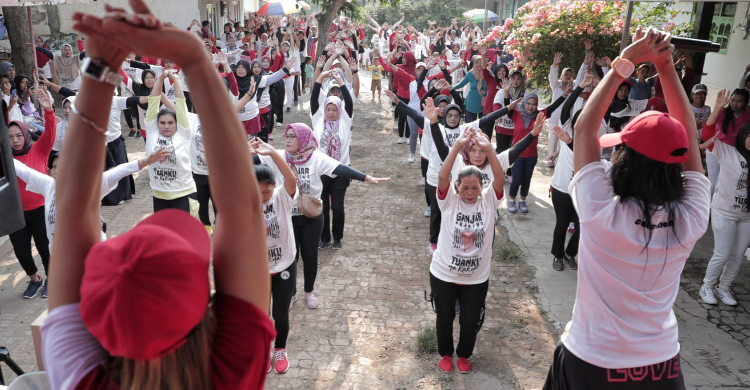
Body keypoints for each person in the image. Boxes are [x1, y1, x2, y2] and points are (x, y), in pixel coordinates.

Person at [44, 2, 277, 389]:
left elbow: (71, 209)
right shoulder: (231, 364)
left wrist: (99, 69)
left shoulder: (80, 380)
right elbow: (242, 207)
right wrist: (193, 57)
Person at [543, 27, 709, 390]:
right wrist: (665, 67)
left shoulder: (602, 209)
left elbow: (585, 126)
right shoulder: (691, 217)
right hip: (661, 367)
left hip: (590, 361)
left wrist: (632, 59)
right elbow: (689, 137)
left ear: (624, 158)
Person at [276, 123, 388, 309]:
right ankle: (291, 293)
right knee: (290, 258)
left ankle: (309, 292)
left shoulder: (315, 158)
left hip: (312, 217)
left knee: (310, 256)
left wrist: (366, 177)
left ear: (302, 138)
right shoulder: (279, 157)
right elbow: (254, 158)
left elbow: (340, 169)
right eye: (286, 136)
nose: (287, 140)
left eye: (292, 136)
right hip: (288, 218)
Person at [429, 124, 506, 374]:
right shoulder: (448, 202)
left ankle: (464, 354)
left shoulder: (489, 202)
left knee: (470, 320)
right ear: (456, 188)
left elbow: (499, 177)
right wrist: (457, 146)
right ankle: (445, 354)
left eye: (475, 188)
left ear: (481, 188)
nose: (470, 193)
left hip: (476, 278)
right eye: (465, 188)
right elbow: (443, 176)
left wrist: (489, 149)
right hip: (444, 275)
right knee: (444, 317)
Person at [13, 148, 171, 255]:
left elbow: (120, 170)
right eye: (54, 167)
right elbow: (23, 170)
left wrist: (147, 161)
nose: (57, 170)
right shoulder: (49, 186)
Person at [249, 138, 298, 374]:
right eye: (257, 193)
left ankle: (280, 349)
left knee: (280, 313)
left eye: (266, 191)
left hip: (285, 265)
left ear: (273, 186)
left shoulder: (281, 198)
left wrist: (271, 152)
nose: (263, 197)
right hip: (258, 270)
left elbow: (291, 179)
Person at [697, 94, 750, 307]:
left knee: (737, 255)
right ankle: (707, 286)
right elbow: (707, 135)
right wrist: (718, 108)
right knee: (722, 253)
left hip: (746, 215)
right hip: (724, 211)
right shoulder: (727, 152)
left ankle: (723, 287)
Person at [9, 89, 56, 299]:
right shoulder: (5, 158)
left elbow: (50, 132)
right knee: (21, 251)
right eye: (10, 137)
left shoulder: (39, 149)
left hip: (40, 210)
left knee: (45, 249)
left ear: (26, 134)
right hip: (15, 213)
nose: (15, 140)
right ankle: (35, 279)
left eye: (18, 135)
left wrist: (48, 110)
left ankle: (52, 279)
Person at [501, 83, 567, 214]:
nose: (531, 106)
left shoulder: (540, 115)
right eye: (528, 103)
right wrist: (506, 93)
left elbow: (553, 107)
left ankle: (523, 200)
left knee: (527, 179)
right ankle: (512, 199)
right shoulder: (517, 114)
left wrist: (565, 95)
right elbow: (508, 107)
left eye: (534, 104)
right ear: (524, 103)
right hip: (517, 154)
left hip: (531, 155)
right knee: (517, 179)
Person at [310, 70, 354, 249]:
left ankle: (337, 238)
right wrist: (320, 78)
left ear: (340, 110)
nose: (330, 112)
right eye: (328, 109)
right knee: (322, 206)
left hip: (341, 170)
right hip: (321, 170)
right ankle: (324, 237)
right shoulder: (317, 119)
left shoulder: (346, 120)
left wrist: (339, 81)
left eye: (334, 109)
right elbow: (314, 99)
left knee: (337, 207)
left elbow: (349, 101)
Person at [145, 70, 197, 214]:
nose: (166, 126)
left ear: (177, 123)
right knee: (164, 235)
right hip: (159, 195)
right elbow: (153, 101)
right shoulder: (152, 131)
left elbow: (180, 104)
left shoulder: (183, 133)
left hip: (183, 193)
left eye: (170, 122)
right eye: (162, 123)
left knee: (184, 235)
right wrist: (160, 79)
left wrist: (176, 80)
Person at [702, 88, 750, 195]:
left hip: (734, 153)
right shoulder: (722, 112)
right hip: (716, 149)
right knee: (713, 184)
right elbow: (707, 128)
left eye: (739, 101)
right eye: (733, 100)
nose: (734, 103)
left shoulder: (747, 114)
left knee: (727, 184)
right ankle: (708, 208)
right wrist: (717, 107)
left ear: (745, 103)